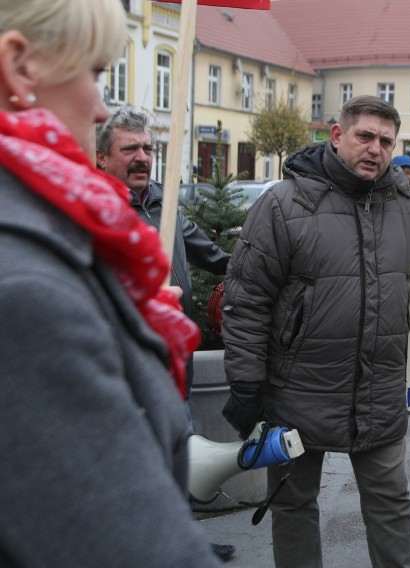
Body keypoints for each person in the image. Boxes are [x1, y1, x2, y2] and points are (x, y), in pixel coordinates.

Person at [0, 0, 222, 565]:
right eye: (95, 72)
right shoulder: (27, 287)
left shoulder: (55, 224)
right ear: (20, 66)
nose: (101, 106)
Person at [221, 95, 410, 567]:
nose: (375, 149)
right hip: (296, 391)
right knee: (292, 506)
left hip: (378, 390)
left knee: (392, 506)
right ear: (337, 135)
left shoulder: (406, 204)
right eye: (364, 136)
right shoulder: (284, 204)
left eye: (386, 141)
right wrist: (246, 383)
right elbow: (246, 299)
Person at [96, 106, 234, 562]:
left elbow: (210, 253)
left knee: (179, 446)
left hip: (178, 357)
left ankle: (183, 539)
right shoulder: (95, 207)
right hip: (131, 355)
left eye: (148, 148)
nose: (141, 157)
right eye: (129, 148)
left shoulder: (162, 200)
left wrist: (255, 267)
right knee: (134, 456)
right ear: (102, 157)